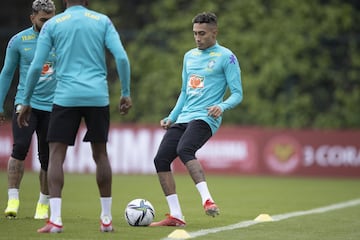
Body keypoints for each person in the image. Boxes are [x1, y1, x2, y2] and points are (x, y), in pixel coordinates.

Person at [17, 0, 131, 233]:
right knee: (100, 154)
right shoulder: (102, 21)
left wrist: (26, 100)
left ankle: (56, 220)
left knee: (56, 155)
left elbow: (37, 66)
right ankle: (106, 219)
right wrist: (125, 93)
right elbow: (121, 58)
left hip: (65, 97)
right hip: (97, 96)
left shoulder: (53, 24)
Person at [150, 12, 243, 227]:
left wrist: (222, 106)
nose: (197, 38)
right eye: (194, 33)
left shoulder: (226, 57)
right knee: (160, 159)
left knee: (185, 149)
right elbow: (184, 91)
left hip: (206, 117)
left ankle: (207, 200)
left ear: (214, 32)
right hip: (184, 117)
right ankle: (176, 216)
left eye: (202, 33)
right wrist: (171, 117)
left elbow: (237, 93)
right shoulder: (189, 56)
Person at [0, 0, 56, 220]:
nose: (48, 24)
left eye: (51, 20)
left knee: (47, 157)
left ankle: (43, 203)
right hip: (25, 104)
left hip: (53, 107)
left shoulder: (61, 40)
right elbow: (6, 74)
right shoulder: (18, 41)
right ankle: (13, 199)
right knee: (20, 147)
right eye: (43, 20)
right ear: (32, 17)